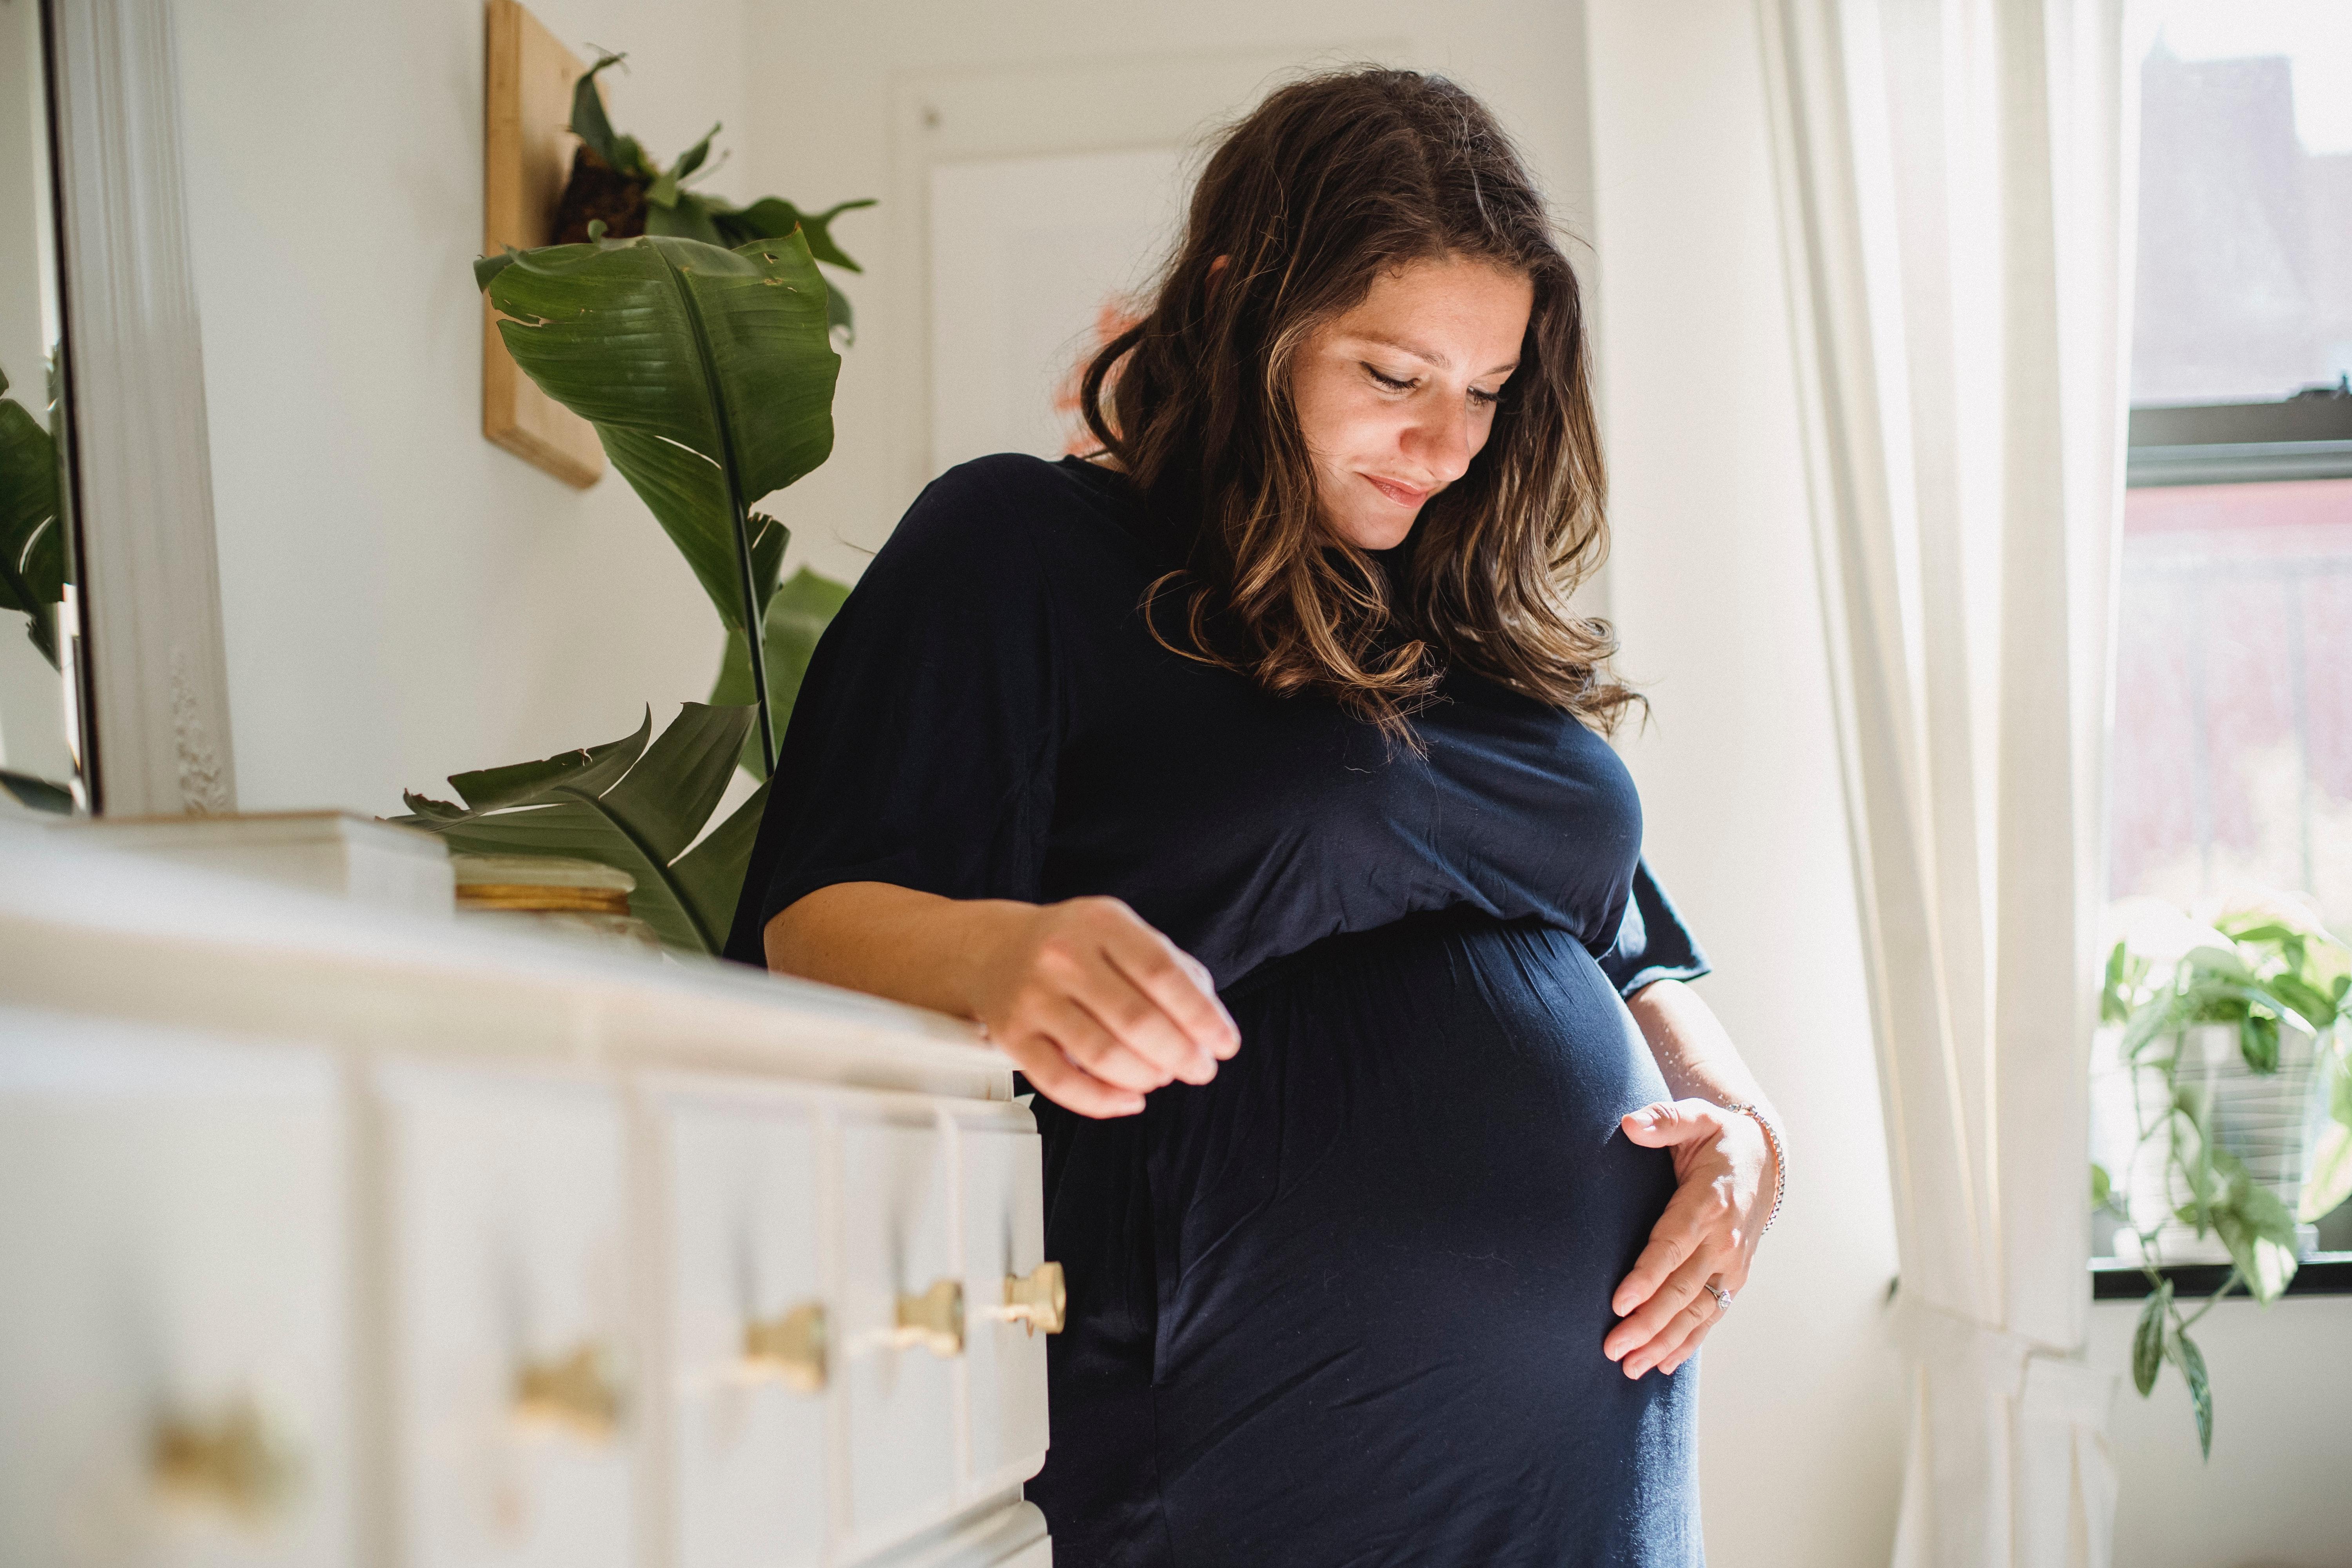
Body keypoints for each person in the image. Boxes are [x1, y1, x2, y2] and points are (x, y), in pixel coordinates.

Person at [725, 66, 1782, 1568]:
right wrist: (1000, 958)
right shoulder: (1028, 553)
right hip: (1251, 1456)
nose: (1447, 445)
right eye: (1394, 376)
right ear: (1242, 310)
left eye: (1488, 392)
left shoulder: (1457, 617)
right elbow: (811, 920)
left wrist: (1747, 1132)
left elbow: (1628, 937)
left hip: (1590, 1472)